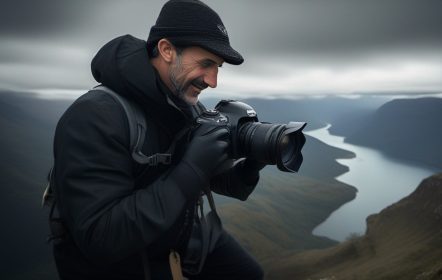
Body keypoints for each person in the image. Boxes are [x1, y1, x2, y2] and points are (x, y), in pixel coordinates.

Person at [51, 0, 265, 279]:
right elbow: (100, 236)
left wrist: (251, 165)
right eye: (206, 63)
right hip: (123, 263)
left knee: (247, 274)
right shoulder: (95, 116)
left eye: (218, 67)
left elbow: (215, 178)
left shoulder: (187, 106)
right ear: (166, 50)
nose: (213, 81)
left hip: (178, 239)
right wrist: (191, 170)